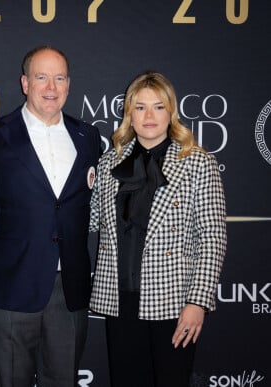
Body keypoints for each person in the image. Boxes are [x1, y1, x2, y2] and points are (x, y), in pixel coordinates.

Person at [89, 71, 226, 387]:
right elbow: (92, 219)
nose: (149, 116)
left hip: (174, 302)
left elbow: (212, 237)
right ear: (129, 114)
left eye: (158, 107)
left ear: (171, 112)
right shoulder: (111, 162)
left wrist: (198, 301)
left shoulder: (197, 163)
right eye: (140, 107)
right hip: (119, 300)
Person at [0, 46, 101, 387]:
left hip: (70, 288)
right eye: (41, 77)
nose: (51, 87)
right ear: (25, 83)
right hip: (11, 285)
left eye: (59, 78)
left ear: (69, 84)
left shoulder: (88, 138)